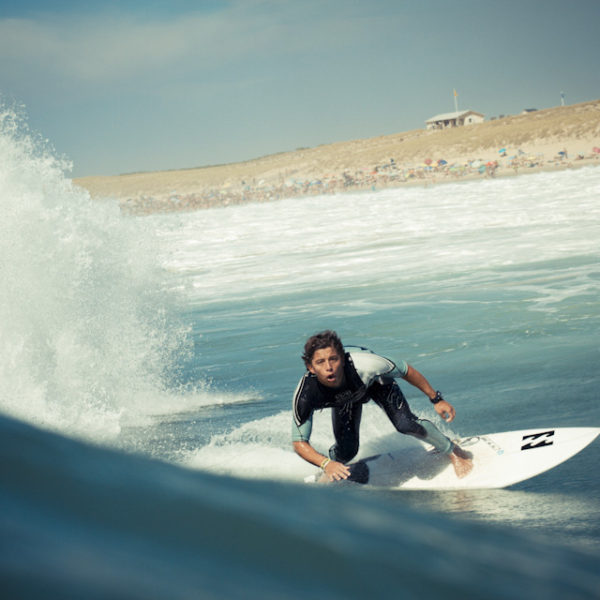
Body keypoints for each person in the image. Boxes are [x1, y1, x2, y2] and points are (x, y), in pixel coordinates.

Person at [292, 330, 473, 482]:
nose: (329, 367)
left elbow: (405, 370)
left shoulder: (366, 363)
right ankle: (331, 466)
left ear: (343, 357)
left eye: (334, 359)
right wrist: (326, 463)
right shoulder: (306, 394)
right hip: (345, 400)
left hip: (375, 383)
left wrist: (436, 399)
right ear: (310, 367)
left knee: (406, 424)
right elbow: (299, 443)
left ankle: (454, 450)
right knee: (346, 452)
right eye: (320, 362)